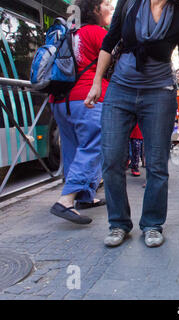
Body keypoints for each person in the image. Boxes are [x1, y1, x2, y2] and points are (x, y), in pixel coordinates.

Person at [84, 0, 179, 247]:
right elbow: (109, 41)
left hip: (159, 93)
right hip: (120, 90)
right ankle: (118, 223)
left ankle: (153, 224)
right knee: (112, 158)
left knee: (156, 163)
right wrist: (96, 82)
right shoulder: (128, 4)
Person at [49, 0, 113, 225]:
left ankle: (85, 196)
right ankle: (66, 200)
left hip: (60, 100)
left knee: (72, 148)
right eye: (106, 4)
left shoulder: (69, 32)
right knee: (93, 146)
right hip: (88, 99)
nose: (111, 8)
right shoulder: (98, 33)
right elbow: (115, 63)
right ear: (94, 9)